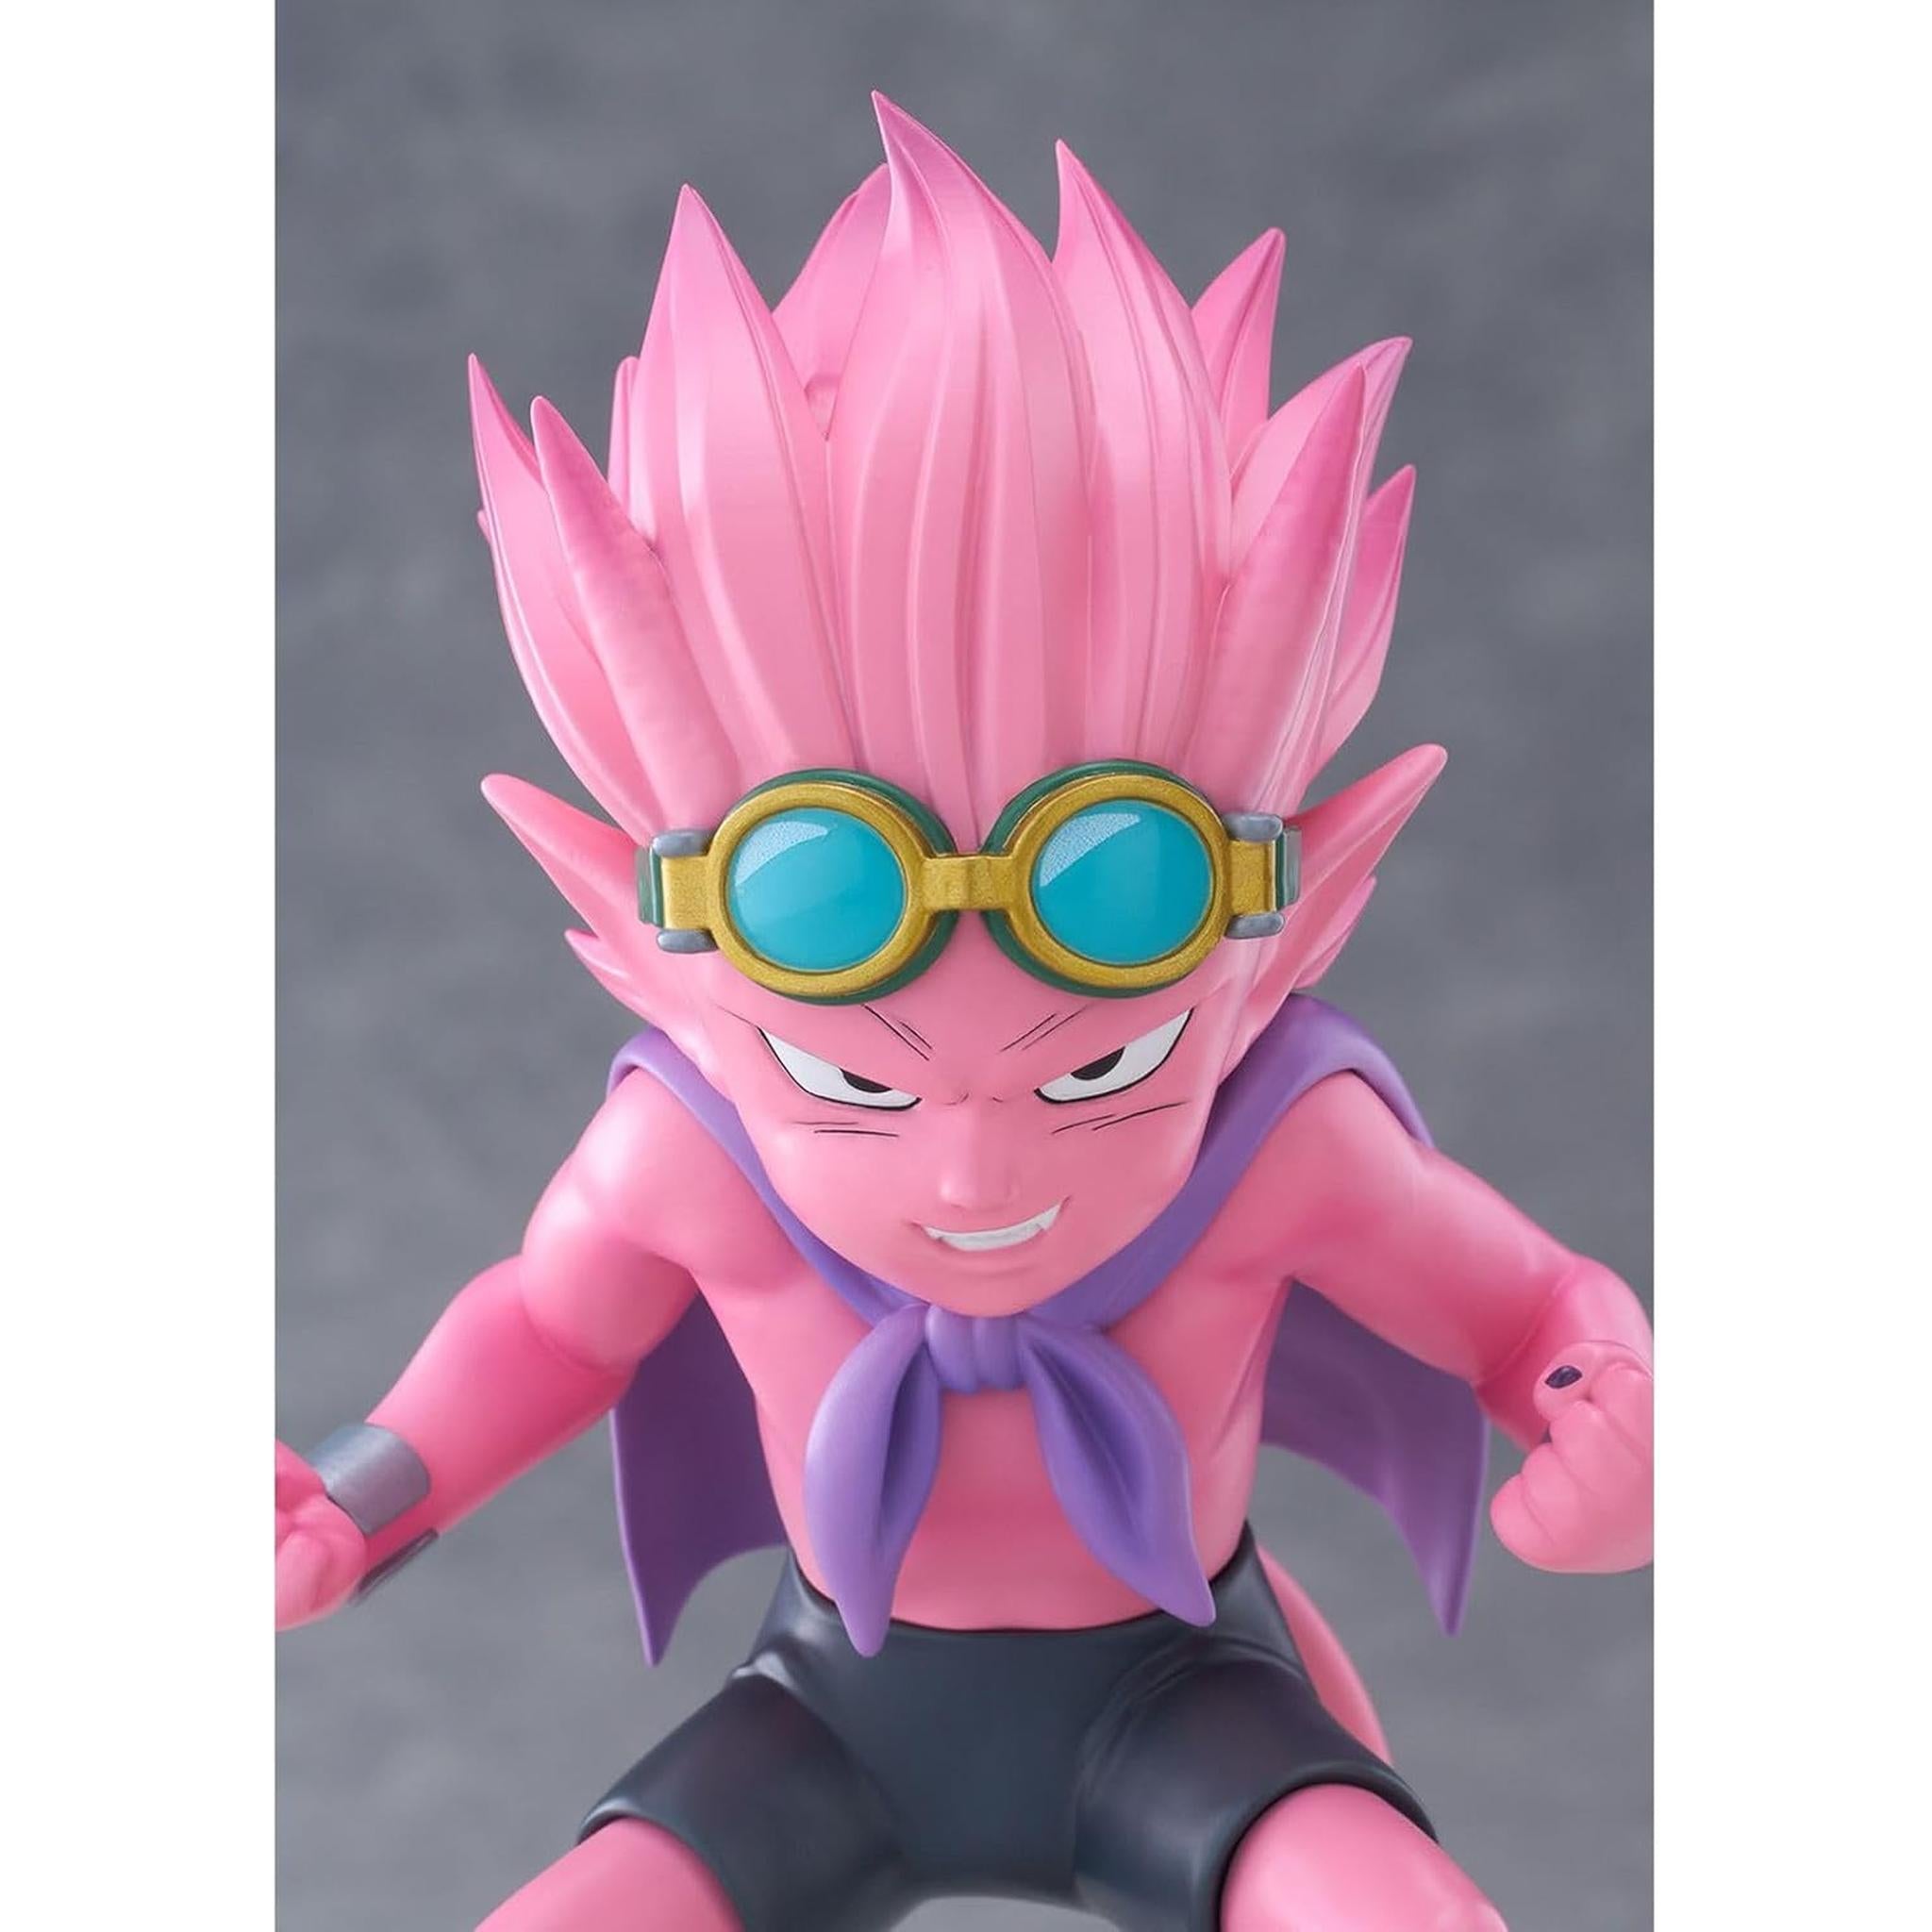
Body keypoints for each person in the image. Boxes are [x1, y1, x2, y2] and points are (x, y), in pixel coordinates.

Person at [276, 96, 1653, 1932]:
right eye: (856, 1078)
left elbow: (1528, 1310)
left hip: (1188, 1702)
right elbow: (543, 1327)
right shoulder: (684, 1152)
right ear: (692, 970)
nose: (973, 1170)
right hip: (824, 1715)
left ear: (1251, 955)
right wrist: (353, 1497)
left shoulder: (1280, 1147)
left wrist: (1616, 1419)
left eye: (1099, 1066)